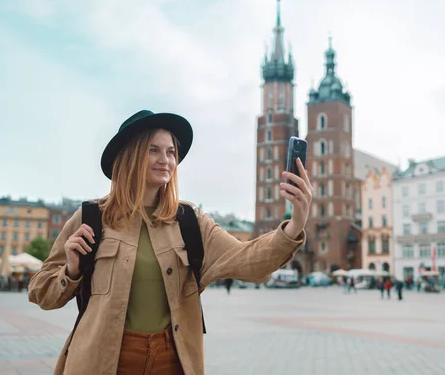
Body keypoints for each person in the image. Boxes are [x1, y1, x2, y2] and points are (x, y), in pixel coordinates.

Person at [27, 110, 311, 375]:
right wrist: (72, 272)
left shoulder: (191, 221)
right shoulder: (90, 217)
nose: (166, 160)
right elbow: (41, 293)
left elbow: (249, 261)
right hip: (104, 361)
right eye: (153, 150)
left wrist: (295, 224)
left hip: (172, 362)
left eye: (171, 152)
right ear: (130, 156)